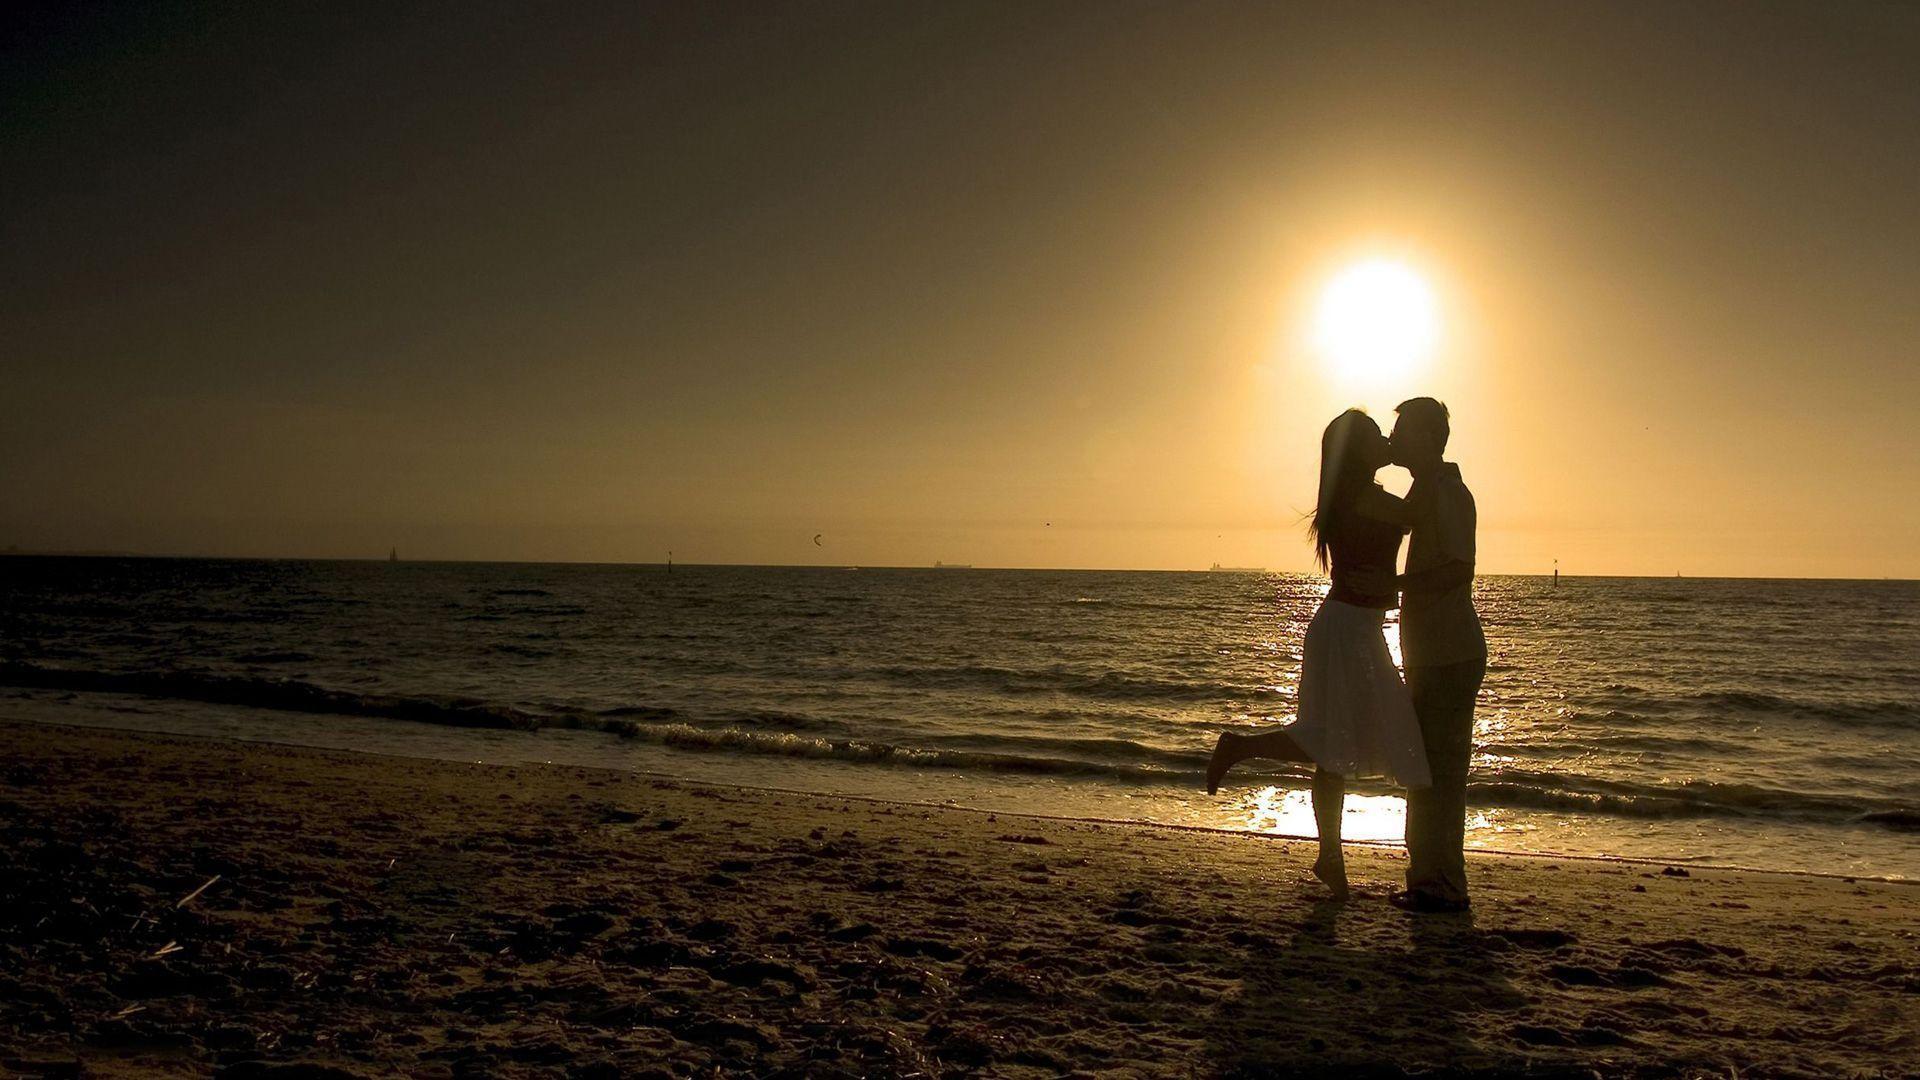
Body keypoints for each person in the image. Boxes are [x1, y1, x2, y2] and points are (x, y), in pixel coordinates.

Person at [1205, 409, 1431, 899]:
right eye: (1375, 437)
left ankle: (1330, 858)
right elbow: (1415, 515)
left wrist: (1393, 454)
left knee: (1335, 747)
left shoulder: (1356, 495)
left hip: (1353, 626)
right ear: (1357, 452)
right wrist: (1418, 460)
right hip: (1347, 629)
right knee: (1331, 741)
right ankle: (1240, 747)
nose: (1384, 441)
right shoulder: (1361, 499)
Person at [1385, 397, 1486, 914]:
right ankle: (1426, 878)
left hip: (1449, 652)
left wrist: (1397, 583)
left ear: (1427, 437)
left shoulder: (1447, 491)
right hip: (1431, 652)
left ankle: (1443, 885)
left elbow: (1457, 570)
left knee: (1441, 772)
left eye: (1402, 431)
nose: (1394, 436)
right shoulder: (1424, 487)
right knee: (1427, 767)